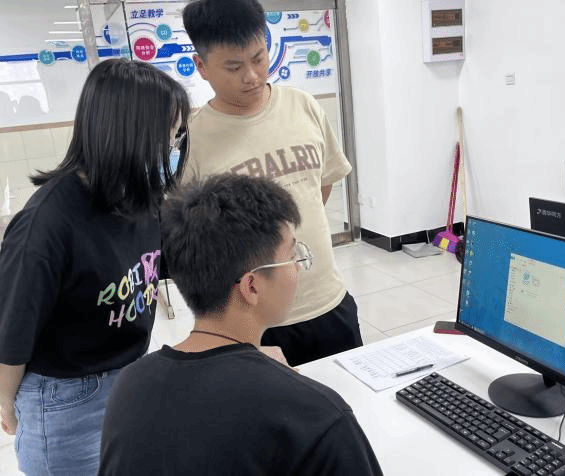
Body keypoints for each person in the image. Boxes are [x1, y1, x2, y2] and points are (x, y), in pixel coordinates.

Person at [98, 174, 383, 475]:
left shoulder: (129, 386)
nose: (298, 268)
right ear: (251, 286)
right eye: (292, 256)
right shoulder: (316, 416)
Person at [0, 58, 190, 475]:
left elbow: (162, 266)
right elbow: (11, 332)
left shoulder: (139, 198)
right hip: (65, 398)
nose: (173, 150)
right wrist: (7, 403)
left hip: (128, 377)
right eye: (166, 136)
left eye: (178, 136)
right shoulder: (46, 223)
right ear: (126, 133)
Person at [181, 0, 363, 367]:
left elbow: (319, 187)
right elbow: (197, 240)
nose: (251, 76)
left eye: (259, 58)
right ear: (201, 66)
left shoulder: (303, 106)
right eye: (234, 66)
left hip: (328, 302)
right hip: (253, 325)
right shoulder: (194, 140)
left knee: (348, 398)